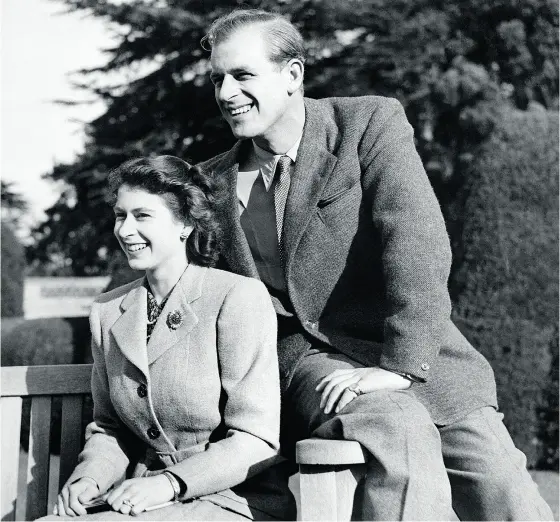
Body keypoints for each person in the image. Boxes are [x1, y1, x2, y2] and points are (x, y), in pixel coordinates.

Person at [198, 9, 554, 521]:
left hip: (418, 358)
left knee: (508, 494)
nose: (226, 92)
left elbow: (416, 241)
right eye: (217, 79)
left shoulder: (366, 124)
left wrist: (399, 366)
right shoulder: (210, 183)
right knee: (396, 427)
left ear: (293, 74)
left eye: (243, 75)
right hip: (309, 366)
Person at [46, 155, 295, 520]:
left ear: (184, 223)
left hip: (234, 499)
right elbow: (110, 428)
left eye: (142, 216)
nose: (125, 230)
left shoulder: (235, 297)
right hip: (137, 500)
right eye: (120, 215)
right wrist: (90, 480)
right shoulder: (107, 311)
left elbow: (255, 439)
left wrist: (170, 483)